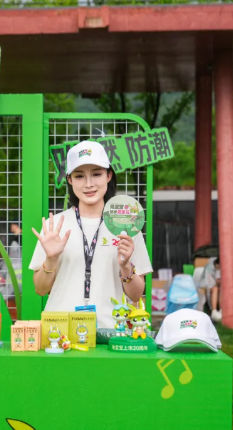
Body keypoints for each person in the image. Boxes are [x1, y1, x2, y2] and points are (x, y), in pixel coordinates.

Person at [29, 141, 153, 329]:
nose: (89, 184)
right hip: (61, 333)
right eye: (79, 176)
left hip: (111, 331)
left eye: (96, 174)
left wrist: (126, 266)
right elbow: (40, 289)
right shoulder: (55, 226)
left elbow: (136, 295)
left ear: (109, 176)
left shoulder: (127, 225)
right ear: (70, 180)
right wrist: (51, 259)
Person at [197, 257, 221, 322]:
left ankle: (221, 310)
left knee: (221, 289)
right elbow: (209, 283)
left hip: (213, 284)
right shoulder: (209, 268)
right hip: (205, 284)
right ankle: (214, 311)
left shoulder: (218, 267)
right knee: (215, 289)